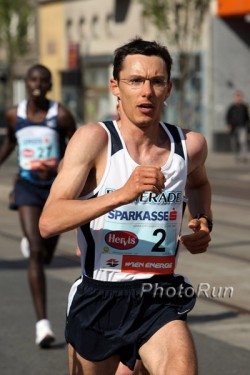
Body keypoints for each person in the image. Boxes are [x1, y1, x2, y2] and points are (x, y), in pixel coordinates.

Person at [39, 38, 212, 375]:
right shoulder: (94, 141)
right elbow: (48, 221)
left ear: (168, 89)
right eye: (135, 81)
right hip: (100, 296)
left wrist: (203, 220)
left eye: (156, 81)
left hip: (158, 293)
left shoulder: (189, 145)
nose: (146, 91)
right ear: (115, 87)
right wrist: (122, 193)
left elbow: (199, 183)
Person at [0, 64, 76, 348]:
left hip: (56, 190)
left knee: (45, 254)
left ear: (49, 85)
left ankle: (36, 245)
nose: (38, 84)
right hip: (27, 187)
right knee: (35, 250)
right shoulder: (13, 114)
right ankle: (42, 324)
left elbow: (79, 147)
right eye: (33, 78)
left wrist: (65, 171)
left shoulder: (62, 115)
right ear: (26, 81)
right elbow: (10, 141)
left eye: (44, 79)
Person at [225, 90, 249, 162]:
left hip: (242, 126)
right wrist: (228, 125)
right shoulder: (231, 107)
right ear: (235, 98)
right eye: (237, 97)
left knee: (243, 141)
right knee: (234, 142)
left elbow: (247, 117)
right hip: (233, 127)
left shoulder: (244, 107)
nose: (238, 98)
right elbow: (228, 117)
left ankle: (243, 156)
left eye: (240, 97)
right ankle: (236, 156)